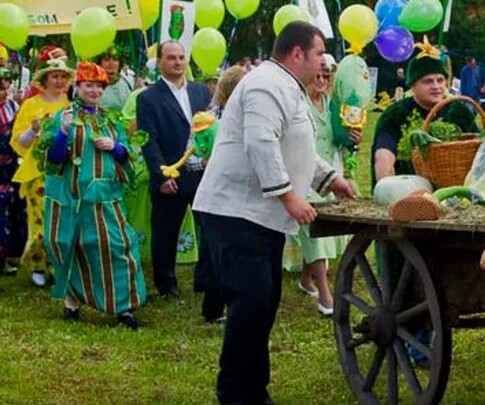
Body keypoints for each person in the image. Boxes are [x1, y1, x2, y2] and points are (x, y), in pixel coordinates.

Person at [193, 21, 355, 404]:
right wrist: (288, 196)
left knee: (262, 305)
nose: (323, 63)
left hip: (257, 217)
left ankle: (253, 390)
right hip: (235, 212)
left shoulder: (288, 87)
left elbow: (295, 146)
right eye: (319, 54)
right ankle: (235, 393)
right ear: (297, 53)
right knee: (250, 305)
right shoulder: (266, 84)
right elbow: (261, 142)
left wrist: (329, 178)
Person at [41, 61, 147, 329]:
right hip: (73, 198)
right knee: (73, 246)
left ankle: (124, 307)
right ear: (77, 87)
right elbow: (53, 161)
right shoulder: (64, 118)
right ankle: (72, 301)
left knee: (119, 246)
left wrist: (116, 147)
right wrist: (63, 134)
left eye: (99, 86)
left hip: (107, 198)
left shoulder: (110, 120)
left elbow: (128, 155)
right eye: (89, 85)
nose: (95, 91)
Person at [283, 55, 359, 316]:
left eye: (326, 75)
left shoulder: (333, 105)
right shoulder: (296, 104)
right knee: (312, 230)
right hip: (304, 175)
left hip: (332, 172)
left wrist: (353, 137)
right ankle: (326, 296)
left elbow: (344, 139)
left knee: (327, 232)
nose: (320, 80)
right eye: (316, 74)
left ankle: (307, 279)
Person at [137, 41, 212, 298]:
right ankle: (166, 284)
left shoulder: (202, 92)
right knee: (166, 232)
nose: (178, 62)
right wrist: (161, 175)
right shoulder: (148, 98)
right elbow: (148, 139)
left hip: (201, 175)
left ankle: (205, 279)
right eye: (171, 58)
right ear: (159, 62)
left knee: (210, 228)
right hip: (171, 175)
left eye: (181, 57)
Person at [11, 53, 73, 287]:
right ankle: (37, 263)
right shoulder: (31, 105)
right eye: (54, 76)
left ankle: (57, 266)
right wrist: (33, 130)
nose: (58, 81)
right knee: (40, 223)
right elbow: (19, 141)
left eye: (62, 77)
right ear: (45, 80)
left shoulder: (69, 105)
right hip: (38, 172)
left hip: (63, 171)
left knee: (62, 222)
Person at [373, 47, 477, 184]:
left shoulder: (459, 111)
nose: (436, 86)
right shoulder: (397, 114)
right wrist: (386, 187)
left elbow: (479, 150)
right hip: (412, 189)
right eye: (428, 81)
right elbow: (384, 153)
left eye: (440, 80)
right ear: (412, 85)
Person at [195, 64, 246, 323]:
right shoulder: (215, 119)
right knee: (220, 257)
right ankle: (216, 308)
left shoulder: (213, 116)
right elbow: (194, 152)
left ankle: (214, 307)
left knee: (215, 254)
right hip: (220, 195)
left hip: (218, 195)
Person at [0, 69, 27, 275]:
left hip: (10, 167)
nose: (2, 91)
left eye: (4, 86)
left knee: (11, 209)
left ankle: (8, 255)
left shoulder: (12, 107)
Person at [98, 47, 135, 112]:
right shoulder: (93, 86)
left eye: (115, 59)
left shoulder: (129, 82)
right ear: (100, 63)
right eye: (107, 60)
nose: (111, 63)